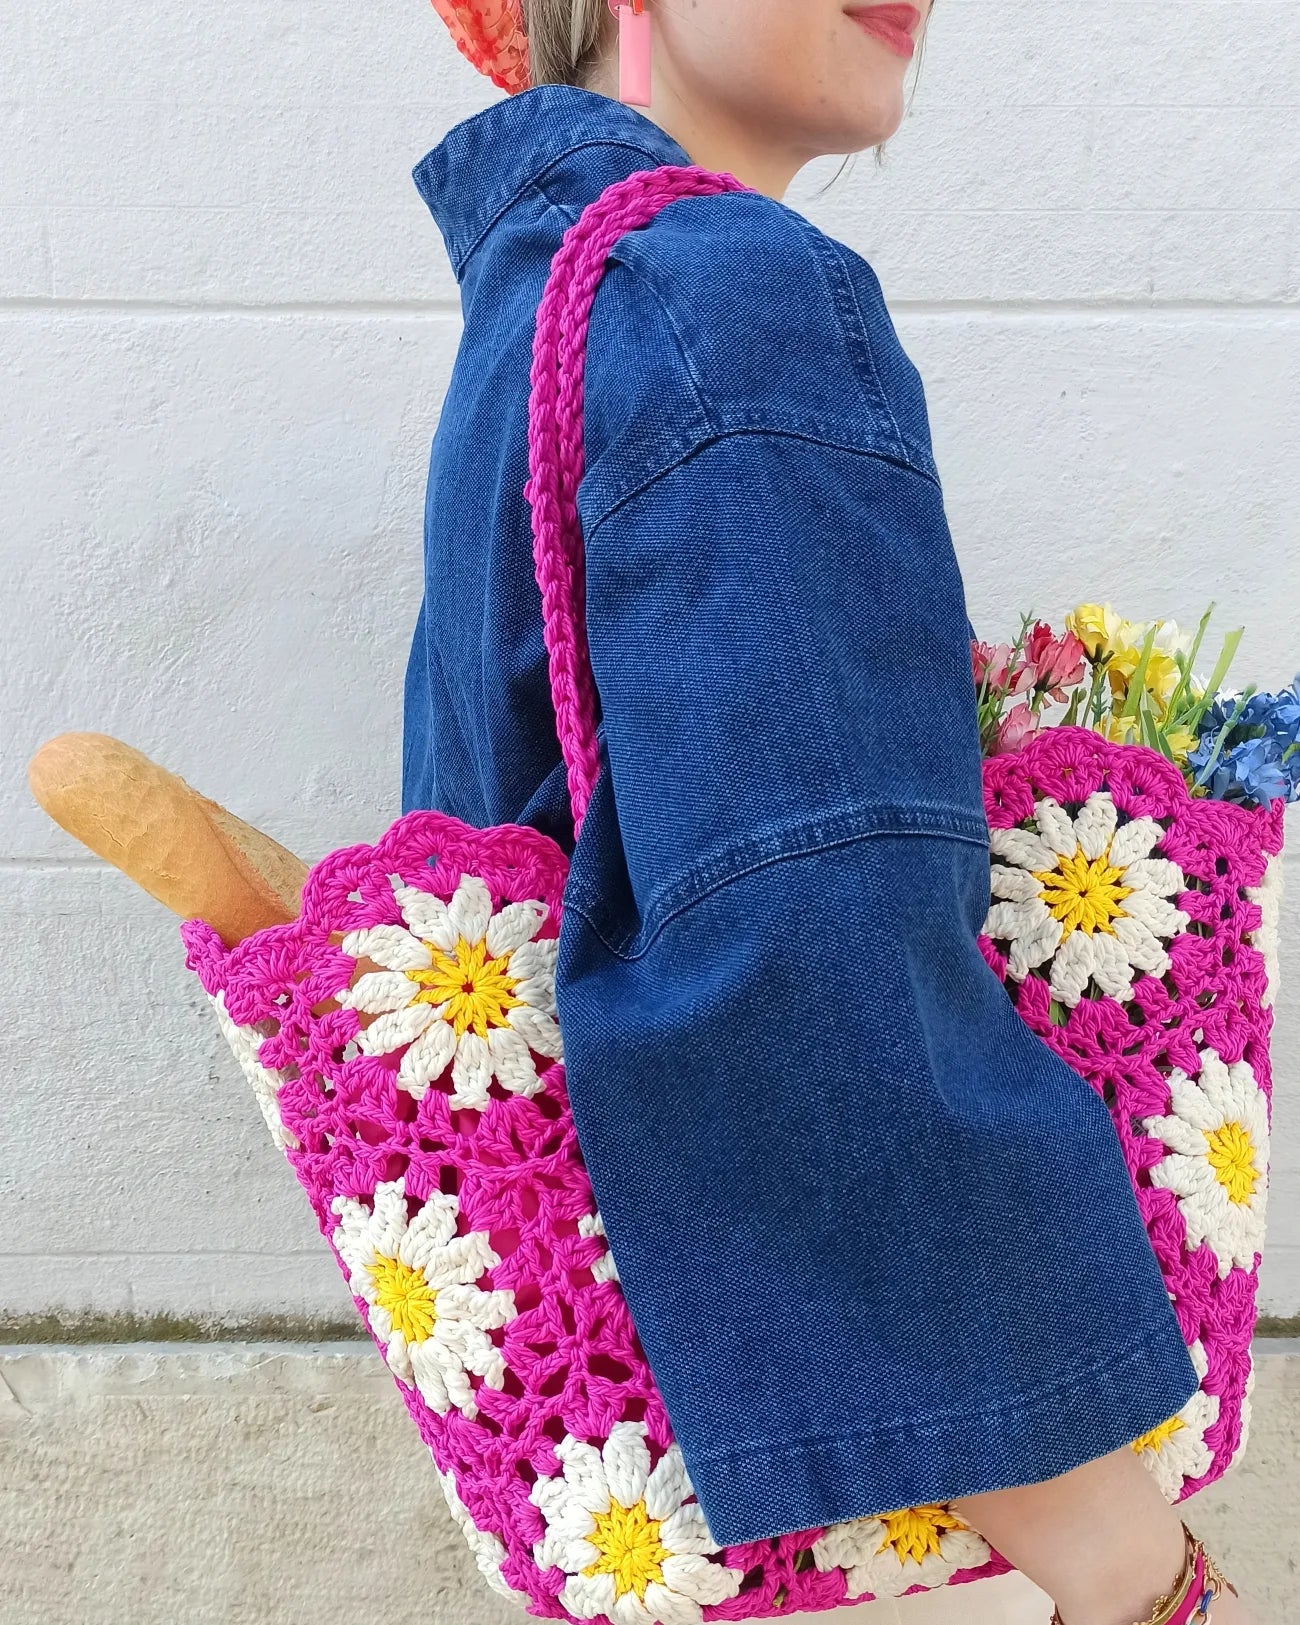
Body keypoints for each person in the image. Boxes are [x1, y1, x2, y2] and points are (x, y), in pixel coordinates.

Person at [401, 3, 1247, 1621]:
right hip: (923, 1522)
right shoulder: (722, 295)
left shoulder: (543, 303)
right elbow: (809, 981)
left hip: (650, 1469)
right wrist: (1133, 1565)